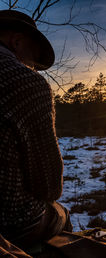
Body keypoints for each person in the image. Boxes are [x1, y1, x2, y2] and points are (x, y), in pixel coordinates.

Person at [0, 9, 72, 249]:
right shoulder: (24, 82)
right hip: (9, 223)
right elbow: (49, 185)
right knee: (60, 214)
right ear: (16, 41)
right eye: (32, 58)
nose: (33, 68)